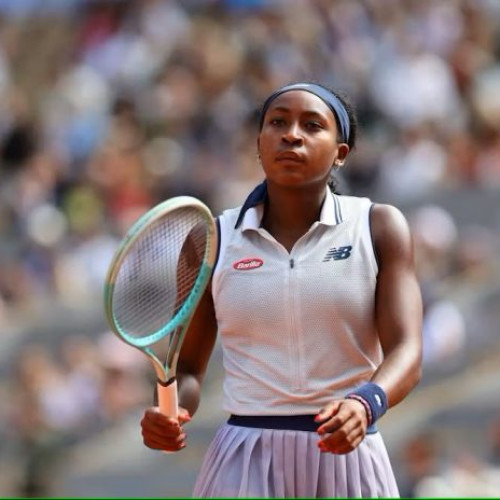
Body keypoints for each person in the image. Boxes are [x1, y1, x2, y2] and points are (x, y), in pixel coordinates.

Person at [140, 82, 423, 498]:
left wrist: (366, 403)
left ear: (340, 153)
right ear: (258, 143)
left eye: (312, 125)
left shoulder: (379, 226)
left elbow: (408, 352)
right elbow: (187, 371)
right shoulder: (209, 240)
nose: (292, 134)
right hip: (244, 457)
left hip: (350, 447)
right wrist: (169, 412)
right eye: (277, 122)